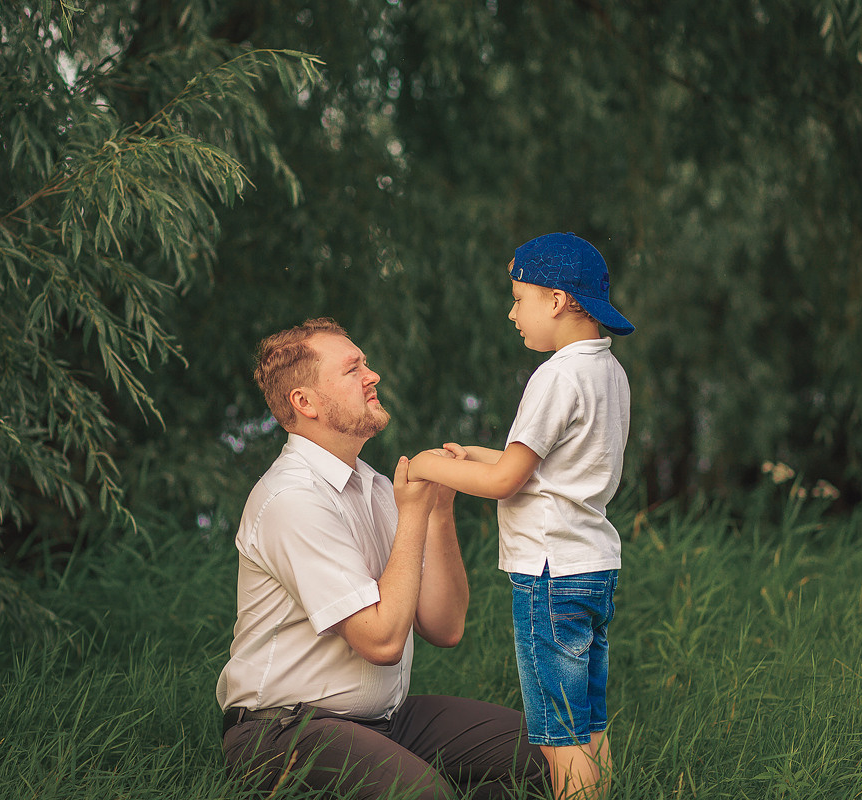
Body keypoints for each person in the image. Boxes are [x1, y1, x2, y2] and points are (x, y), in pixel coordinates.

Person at [216, 318, 547, 800]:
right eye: (353, 369)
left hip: (386, 721)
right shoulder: (291, 498)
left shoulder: (373, 486)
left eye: (366, 364)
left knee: (552, 755)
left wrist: (438, 510)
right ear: (305, 402)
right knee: (425, 797)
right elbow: (382, 640)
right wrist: (412, 513)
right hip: (283, 731)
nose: (373, 376)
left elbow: (445, 627)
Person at [407, 232, 634, 799]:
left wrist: (431, 469)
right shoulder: (609, 372)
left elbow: (506, 481)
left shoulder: (555, 376)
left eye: (517, 298)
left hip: (549, 574)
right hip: (593, 565)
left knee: (558, 735)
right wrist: (472, 455)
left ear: (556, 300)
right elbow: (545, 469)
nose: (512, 314)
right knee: (588, 721)